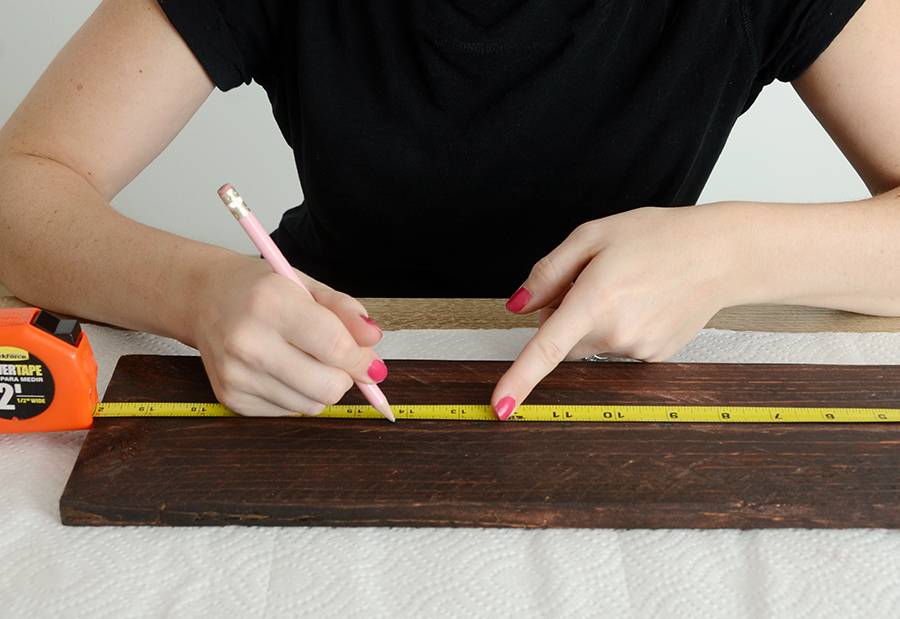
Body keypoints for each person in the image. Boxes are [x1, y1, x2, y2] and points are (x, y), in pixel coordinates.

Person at [0, 0, 896, 421]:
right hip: (322, 382)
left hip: (627, 395)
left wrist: (729, 256)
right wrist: (196, 293)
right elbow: (19, 187)